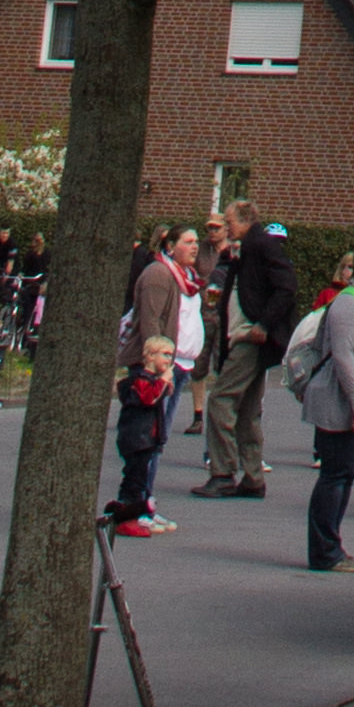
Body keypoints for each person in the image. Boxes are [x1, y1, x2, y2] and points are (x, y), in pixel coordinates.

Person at [204, 202, 298, 497]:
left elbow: (287, 286)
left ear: (245, 220)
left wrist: (264, 323)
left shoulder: (260, 246)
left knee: (221, 399)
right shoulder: (246, 250)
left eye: (230, 222)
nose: (226, 227)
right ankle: (253, 477)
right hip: (244, 336)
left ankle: (223, 472)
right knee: (247, 408)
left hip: (250, 338)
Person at [111, 226, 196, 536]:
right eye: (188, 241)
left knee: (154, 440)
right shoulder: (158, 275)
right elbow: (150, 322)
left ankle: (145, 504)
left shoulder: (180, 277)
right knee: (144, 443)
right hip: (153, 369)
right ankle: (135, 509)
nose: (195, 247)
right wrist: (159, 365)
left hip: (167, 366)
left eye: (196, 242)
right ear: (170, 246)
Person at [303, 250, 354, 571]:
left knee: (345, 475)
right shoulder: (349, 301)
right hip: (341, 401)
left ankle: (332, 545)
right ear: (353, 270)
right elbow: (343, 356)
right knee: (335, 476)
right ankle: (324, 552)